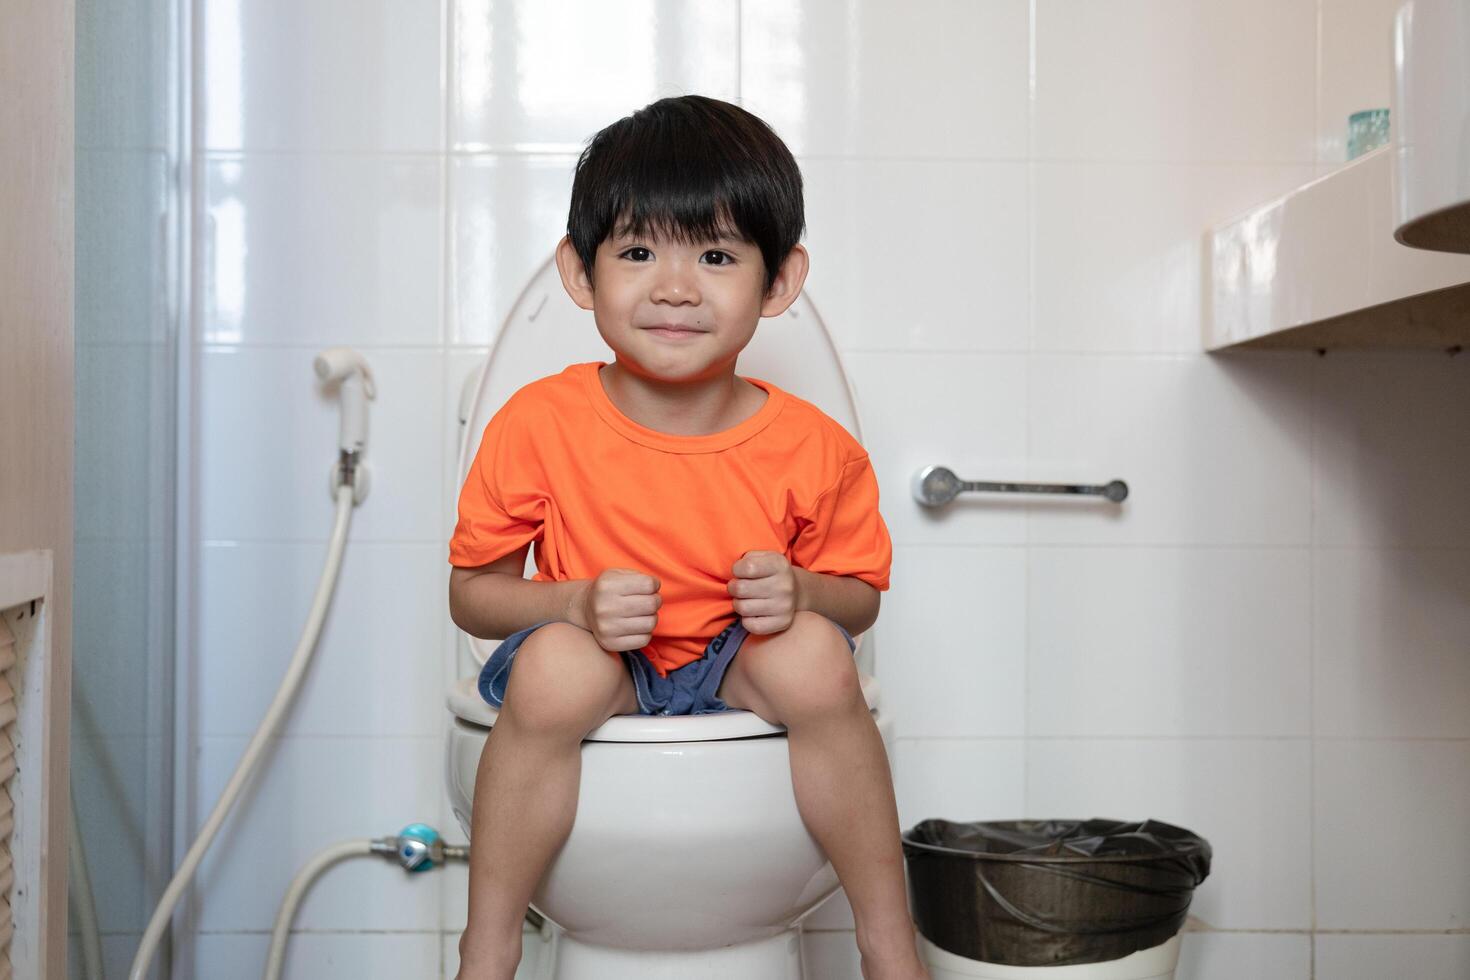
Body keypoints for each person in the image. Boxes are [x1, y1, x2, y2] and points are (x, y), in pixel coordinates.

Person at [447, 94, 928, 980]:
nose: (674, 287)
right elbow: (472, 595)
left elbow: (859, 597)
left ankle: (888, 941)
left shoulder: (815, 447)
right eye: (637, 253)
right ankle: (490, 944)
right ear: (581, 274)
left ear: (778, 281)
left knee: (818, 656)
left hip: (734, 662)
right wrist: (572, 604)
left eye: (715, 255)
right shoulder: (539, 421)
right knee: (555, 667)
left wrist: (804, 591)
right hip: (602, 671)